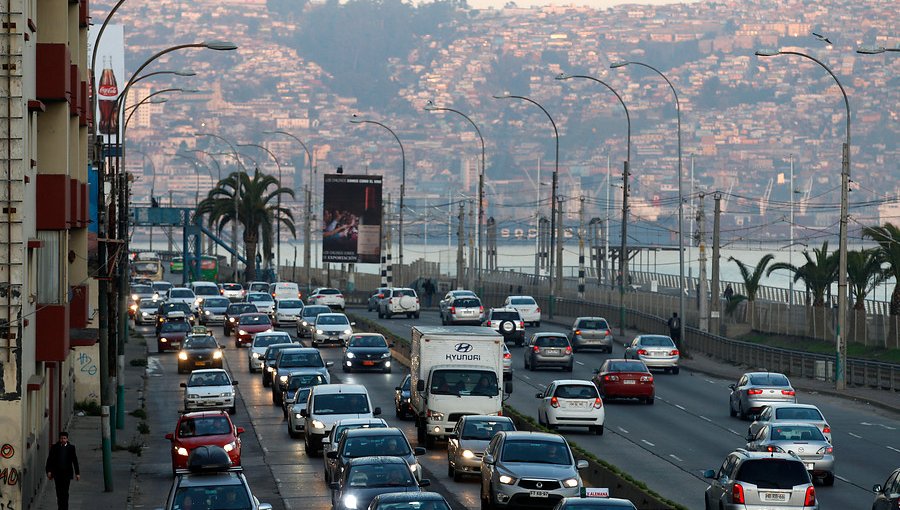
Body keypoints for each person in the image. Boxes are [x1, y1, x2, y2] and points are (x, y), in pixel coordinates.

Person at [45, 431, 80, 510]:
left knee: (65, 492)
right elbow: (50, 460)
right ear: (59, 439)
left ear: (67, 439)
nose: (63, 440)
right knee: (59, 492)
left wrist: (77, 473)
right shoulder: (55, 447)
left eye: (64, 438)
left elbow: (75, 461)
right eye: (61, 438)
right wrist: (49, 471)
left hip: (67, 474)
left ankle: (65, 508)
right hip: (57, 474)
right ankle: (60, 507)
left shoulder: (71, 448)